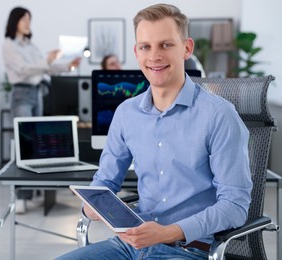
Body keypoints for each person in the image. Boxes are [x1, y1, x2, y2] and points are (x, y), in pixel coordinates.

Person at [57, 3, 252, 260]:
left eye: (166, 45)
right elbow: (105, 181)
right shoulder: (126, 113)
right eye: (145, 46)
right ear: (136, 52)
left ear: (186, 48)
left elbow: (235, 206)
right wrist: (90, 207)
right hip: (130, 245)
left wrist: (168, 232)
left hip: (190, 249)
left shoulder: (218, 115)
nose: (154, 56)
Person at [2, 6, 81, 213]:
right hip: (21, 93)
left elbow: (45, 68)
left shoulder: (31, 46)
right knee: (24, 145)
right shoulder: (9, 45)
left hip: (37, 93)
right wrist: (47, 59)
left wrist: (67, 65)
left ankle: (29, 192)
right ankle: (20, 196)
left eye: (29, 19)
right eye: (24, 19)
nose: (28, 23)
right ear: (15, 21)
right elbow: (23, 69)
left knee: (36, 148)